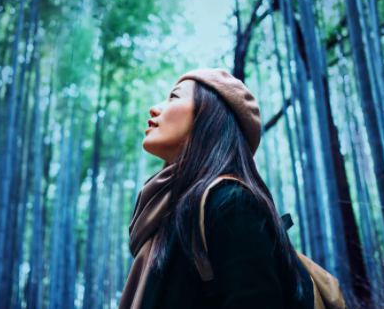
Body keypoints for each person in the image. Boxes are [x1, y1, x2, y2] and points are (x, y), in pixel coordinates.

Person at [119, 68, 315, 309]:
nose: (154, 108)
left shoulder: (231, 204)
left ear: (208, 116)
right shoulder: (166, 215)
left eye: (173, 97)